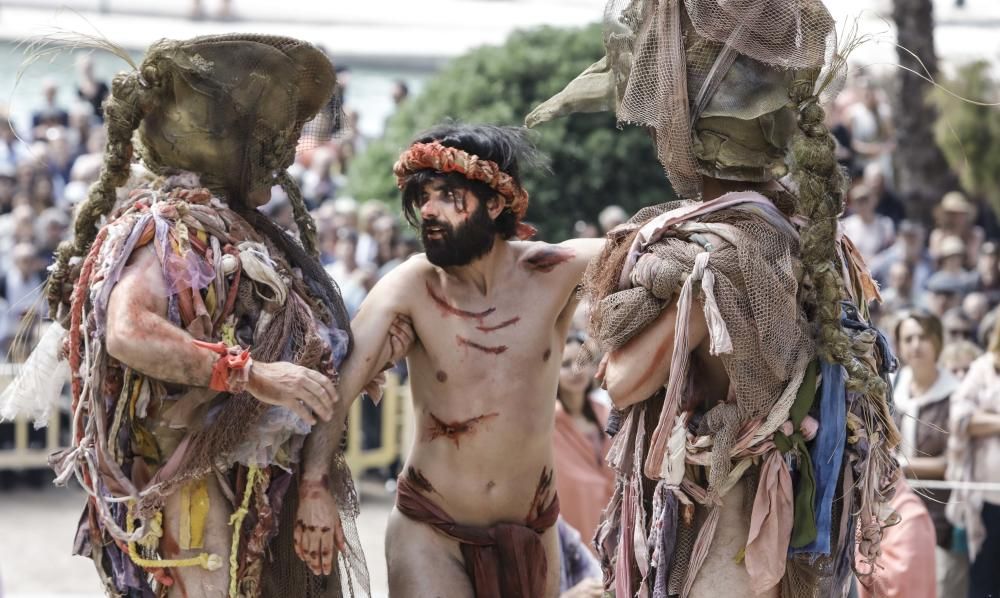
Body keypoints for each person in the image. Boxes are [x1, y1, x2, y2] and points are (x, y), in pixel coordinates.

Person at [526, 0, 900, 595]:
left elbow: (621, 383)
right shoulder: (805, 241)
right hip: (804, 532)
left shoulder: (711, 265)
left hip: (724, 534)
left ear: (688, 138)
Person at [7, 35, 368, 597]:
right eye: (268, 141)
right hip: (188, 491)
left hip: (251, 488)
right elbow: (129, 330)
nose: (286, 153)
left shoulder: (240, 229)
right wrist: (254, 374)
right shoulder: (170, 229)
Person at [296, 123, 605, 597]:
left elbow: (644, 248)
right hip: (432, 531)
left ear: (495, 203)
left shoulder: (552, 274)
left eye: (447, 195)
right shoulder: (414, 285)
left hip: (533, 533)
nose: (428, 211)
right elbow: (341, 384)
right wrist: (313, 485)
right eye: (423, 197)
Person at [892, 310, 967, 597]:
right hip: (895, 512)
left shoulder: (956, 393)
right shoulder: (893, 385)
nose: (916, 344)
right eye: (908, 338)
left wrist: (898, 466)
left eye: (923, 337)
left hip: (942, 516)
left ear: (937, 341)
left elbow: (951, 463)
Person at [947, 318, 1000, 598]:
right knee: (984, 581)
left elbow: (976, 419)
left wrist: (986, 421)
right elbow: (960, 418)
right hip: (988, 500)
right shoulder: (983, 368)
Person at [553, 331, 615, 552]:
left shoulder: (607, 414)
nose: (575, 370)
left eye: (582, 362)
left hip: (611, 525)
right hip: (572, 529)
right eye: (566, 364)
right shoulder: (549, 424)